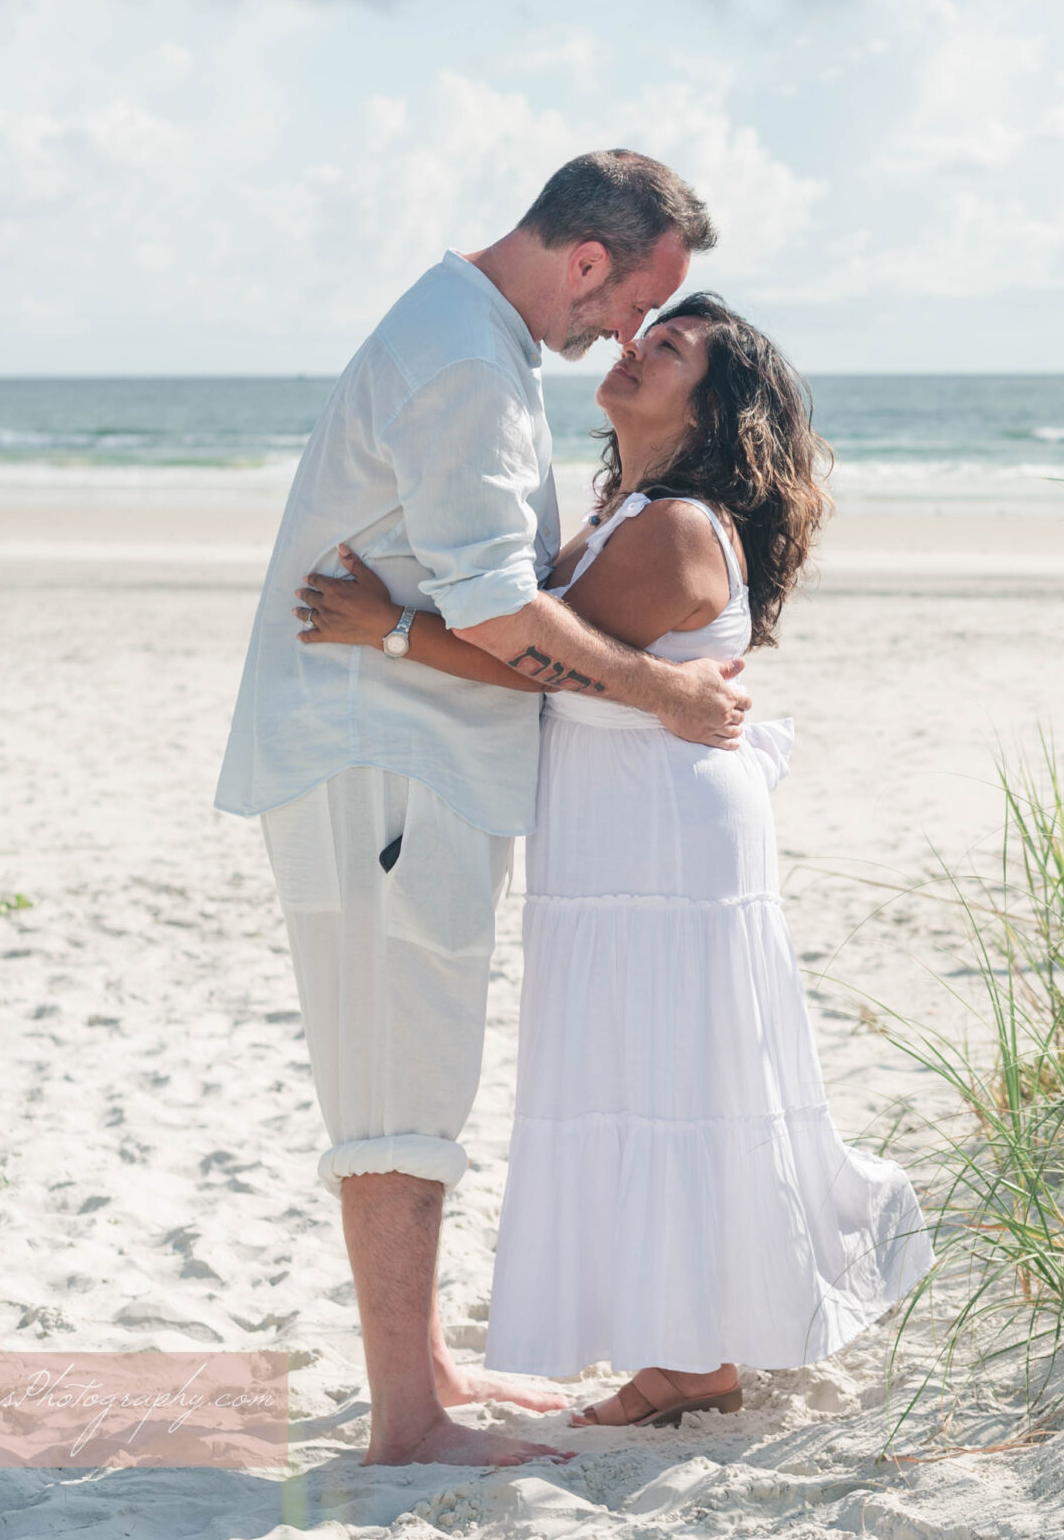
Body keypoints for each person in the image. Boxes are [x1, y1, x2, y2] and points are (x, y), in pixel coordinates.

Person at [294, 292, 932, 1432]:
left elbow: (539, 657)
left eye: (669, 348)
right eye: (644, 334)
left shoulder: (677, 527)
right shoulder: (625, 506)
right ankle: (686, 1351)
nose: (635, 349)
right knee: (643, 1079)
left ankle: (691, 1362)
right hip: (625, 824)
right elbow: (554, 643)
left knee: (667, 1082)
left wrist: (382, 625)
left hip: (661, 838)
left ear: (713, 405)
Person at [215, 150, 747, 1467]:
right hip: (383, 761)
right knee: (400, 1086)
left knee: (421, 1067)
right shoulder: (466, 363)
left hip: (408, 759)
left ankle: (427, 1368)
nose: (623, 334)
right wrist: (660, 696)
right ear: (585, 262)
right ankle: (409, 1417)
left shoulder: (480, 343)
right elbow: (498, 611)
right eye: (630, 304)